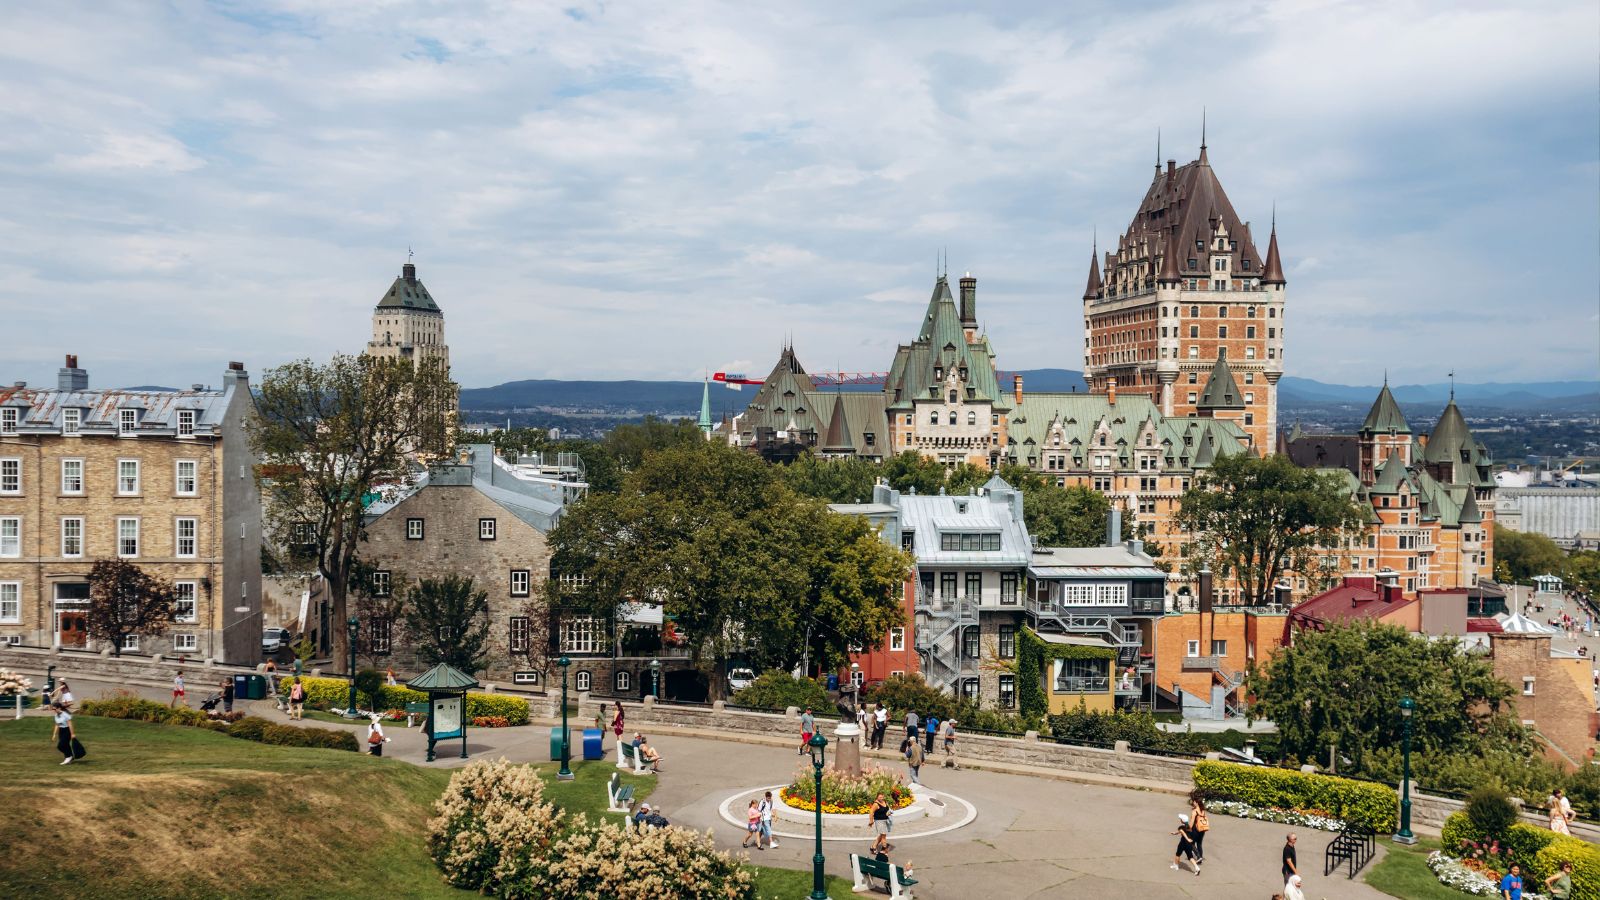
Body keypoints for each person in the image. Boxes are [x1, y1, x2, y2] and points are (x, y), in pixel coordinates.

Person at [1189, 794, 1210, 863]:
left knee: (1191, 843)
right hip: (1202, 829)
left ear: (1196, 802)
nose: (1193, 803)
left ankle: (1198, 856)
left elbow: (1192, 822)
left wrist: (1188, 829)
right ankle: (1200, 859)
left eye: (1194, 802)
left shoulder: (1194, 811)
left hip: (1195, 829)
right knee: (1199, 844)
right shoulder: (1203, 811)